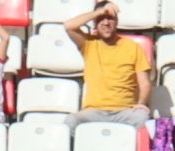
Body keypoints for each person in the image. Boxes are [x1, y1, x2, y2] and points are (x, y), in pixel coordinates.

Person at [63, 1, 152, 134]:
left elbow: (144, 82)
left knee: (142, 118)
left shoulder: (133, 48)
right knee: (71, 120)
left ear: (116, 22)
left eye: (110, 18)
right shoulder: (88, 44)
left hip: (124, 111)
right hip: (94, 111)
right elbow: (68, 26)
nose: (106, 22)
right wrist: (100, 11)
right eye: (101, 19)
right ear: (94, 23)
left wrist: (141, 103)